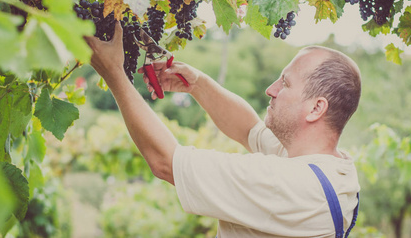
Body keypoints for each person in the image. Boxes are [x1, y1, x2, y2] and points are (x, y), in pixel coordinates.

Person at [84, 22, 362, 238]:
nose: (271, 90)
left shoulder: (288, 186)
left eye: (285, 84)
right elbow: (248, 129)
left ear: (316, 108)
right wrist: (197, 84)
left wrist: (114, 73)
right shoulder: (333, 172)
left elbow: (165, 162)